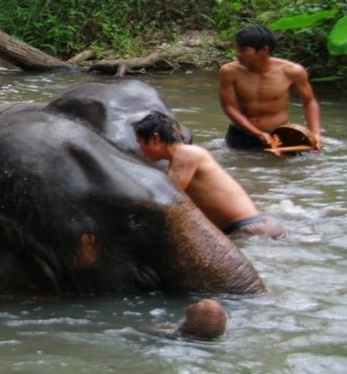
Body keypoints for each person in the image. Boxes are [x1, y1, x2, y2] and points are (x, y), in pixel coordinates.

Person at [134, 112, 285, 238]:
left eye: (140, 142)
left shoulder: (186, 154)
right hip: (246, 228)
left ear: (156, 138)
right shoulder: (181, 157)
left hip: (249, 230)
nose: (140, 149)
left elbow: (168, 198)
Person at [218, 25, 322, 150]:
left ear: (264, 50)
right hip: (240, 134)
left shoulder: (292, 71)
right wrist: (258, 133)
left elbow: (309, 101)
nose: (237, 54)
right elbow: (229, 106)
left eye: (244, 50)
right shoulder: (229, 71)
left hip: (278, 135)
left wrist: (315, 134)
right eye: (237, 49)